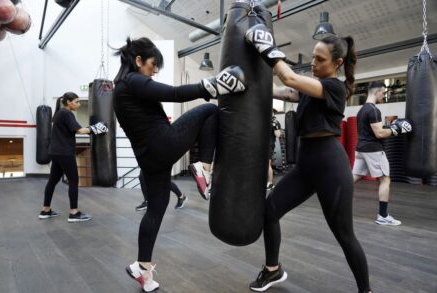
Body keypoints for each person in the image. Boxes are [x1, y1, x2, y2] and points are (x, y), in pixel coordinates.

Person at [245, 24, 372, 292]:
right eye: (313, 57)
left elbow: (290, 79)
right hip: (305, 167)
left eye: (320, 59)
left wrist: (268, 49)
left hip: (330, 167)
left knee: (344, 235)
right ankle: (273, 270)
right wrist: (248, 81)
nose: (313, 63)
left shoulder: (334, 87)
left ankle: (366, 290)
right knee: (269, 211)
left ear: (337, 63)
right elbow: (284, 91)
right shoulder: (312, 87)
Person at [113, 37, 245, 292]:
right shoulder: (132, 81)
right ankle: (204, 167)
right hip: (160, 145)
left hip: (148, 160)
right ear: (138, 60)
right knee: (209, 111)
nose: (153, 71)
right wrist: (213, 85)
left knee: (156, 210)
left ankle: (143, 268)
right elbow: (173, 93)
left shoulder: (122, 88)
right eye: (152, 65)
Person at [38, 92, 108, 223]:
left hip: (55, 152)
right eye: (77, 102)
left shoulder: (59, 114)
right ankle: (74, 213)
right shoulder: (66, 113)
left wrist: (91, 128)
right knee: (73, 181)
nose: (79, 104)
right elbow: (80, 131)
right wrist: (96, 128)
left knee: (52, 181)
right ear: (68, 102)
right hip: (65, 153)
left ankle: (45, 210)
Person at [352, 81, 412, 226]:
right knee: (385, 179)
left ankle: (334, 198)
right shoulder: (373, 110)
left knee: (354, 176)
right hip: (373, 150)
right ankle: (383, 216)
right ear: (376, 92)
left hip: (361, 149)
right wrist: (397, 130)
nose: (384, 96)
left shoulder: (361, 110)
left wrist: (391, 127)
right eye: (383, 93)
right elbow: (379, 133)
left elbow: (372, 129)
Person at [267, 109, 281, 190]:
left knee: (267, 164)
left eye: (271, 112)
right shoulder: (263, 121)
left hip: (269, 145)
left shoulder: (275, 122)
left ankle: (270, 183)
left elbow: (278, 135)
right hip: (260, 145)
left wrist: (275, 125)